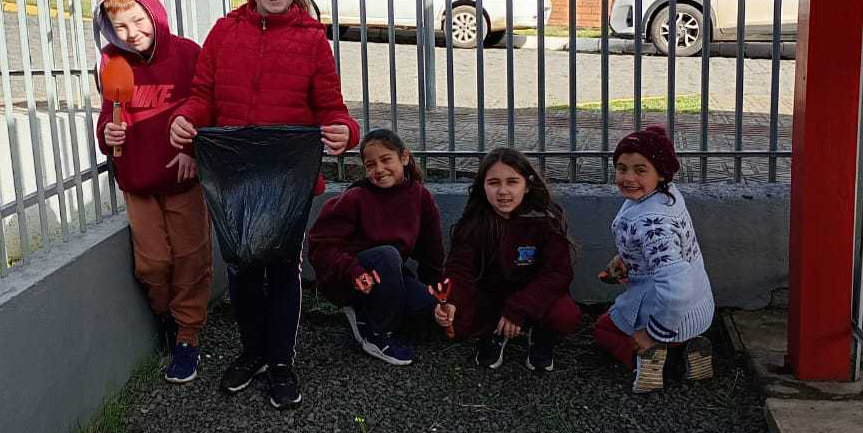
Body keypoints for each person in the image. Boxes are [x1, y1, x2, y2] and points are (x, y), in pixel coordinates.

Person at [170, 0, 359, 409]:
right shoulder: (222, 32)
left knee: (283, 271)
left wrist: (346, 131)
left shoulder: (312, 39)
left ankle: (280, 362)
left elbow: (332, 107)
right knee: (242, 271)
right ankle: (252, 351)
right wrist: (186, 120)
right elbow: (202, 95)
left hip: (289, 183)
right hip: (233, 181)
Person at [95, 0, 210, 385]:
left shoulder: (188, 54)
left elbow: (208, 109)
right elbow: (107, 117)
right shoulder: (113, 63)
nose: (132, 32)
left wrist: (193, 151)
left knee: (191, 258)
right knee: (153, 263)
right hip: (139, 183)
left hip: (183, 180)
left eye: (138, 20)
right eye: (120, 26)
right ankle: (166, 316)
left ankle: (187, 335)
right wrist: (107, 135)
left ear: (154, 12)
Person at [434, 148, 581, 372]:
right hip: (493, 297)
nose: (503, 191)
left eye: (512, 182)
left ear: (527, 185)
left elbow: (558, 274)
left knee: (565, 315)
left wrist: (519, 309)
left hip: (535, 298)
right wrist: (451, 301)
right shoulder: (475, 221)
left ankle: (541, 336)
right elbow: (460, 269)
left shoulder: (546, 219)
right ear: (483, 187)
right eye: (494, 183)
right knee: (457, 319)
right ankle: (494, 332)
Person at [593, 125, 716, 393]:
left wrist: (651, 334)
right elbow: (658, 252)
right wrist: (626, 258)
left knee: (604, 330)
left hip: (667, 312)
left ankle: (655, 362)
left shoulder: (652, 224)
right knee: (672, 333)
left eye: (640, 170)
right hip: (697, 309)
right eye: (622, 168)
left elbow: (675, 289)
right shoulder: (666, 196)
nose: (628, 178)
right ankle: (688, 347)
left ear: (661, 173)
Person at [307, 129, 444, 367]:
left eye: (386, 159)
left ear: (404, 157)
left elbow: (432, 252)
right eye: (370, 165)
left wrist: (438, 294)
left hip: (389, 277)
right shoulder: (355, 198)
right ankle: (377, 335)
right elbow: (321, 244)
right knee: (387, 254)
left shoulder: (420, 196)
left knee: (429, 309)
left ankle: (367, 314)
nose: (379, 169)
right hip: (350, 277)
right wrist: (353, 271)